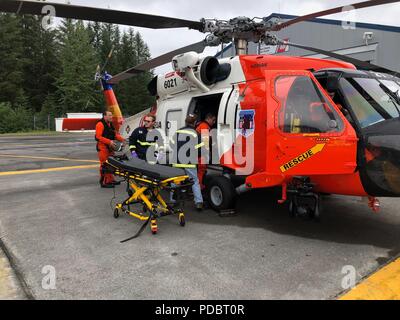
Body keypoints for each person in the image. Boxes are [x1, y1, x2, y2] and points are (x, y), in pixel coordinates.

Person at [171, 114, 204, 211]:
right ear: (194, 123)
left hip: (177, 160)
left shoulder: (177, 132)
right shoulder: (196, 133)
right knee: (194, 181)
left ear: (186, 122)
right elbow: (201, 148)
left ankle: (173, 201)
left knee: (175, 181)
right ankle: (198, 202)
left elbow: (172, 145)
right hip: (190, 161)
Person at [95, 110, 125, 188]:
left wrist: (123, 140)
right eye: (109, 115)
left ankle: (110, 180)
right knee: (104, 165)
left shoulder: (110, 124)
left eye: (111, 115)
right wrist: (109, 142)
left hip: (109, 147)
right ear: (104, 116)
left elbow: (115, 135)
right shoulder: (100, 124)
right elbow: (98, 137)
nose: (111, 117)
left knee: (111, 164)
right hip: (103, 147)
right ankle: (104, 182)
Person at [195, 113, 216, 190]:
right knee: (201, 170)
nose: (214, 122)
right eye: (213, 120)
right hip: (202, 152)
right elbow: (206, 142)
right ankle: (199, 187)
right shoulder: (204, 126)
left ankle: (198, 186)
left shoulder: (201, 125)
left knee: (200, 170)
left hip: (199, 151)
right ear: (208, 119)